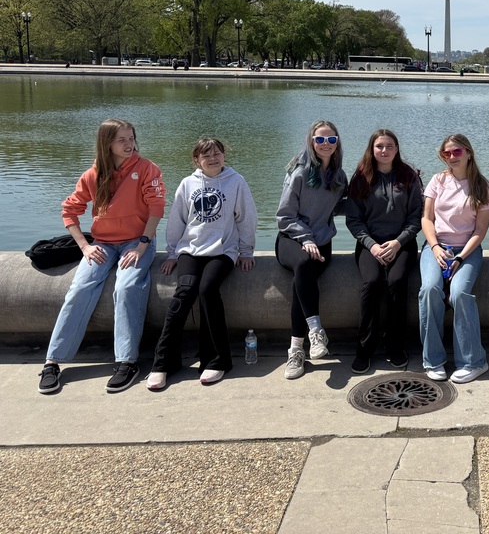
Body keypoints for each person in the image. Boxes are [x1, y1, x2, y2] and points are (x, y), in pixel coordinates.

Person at [37, 118, 165, 395]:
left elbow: (156, 208)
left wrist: (142, 245)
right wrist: (84, 246)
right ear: (107, 143)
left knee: (127, 286)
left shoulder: (146, 168)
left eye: (131, 138)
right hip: (103, 244)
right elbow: (69, 212)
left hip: (137, 241)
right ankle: (52, 362)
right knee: (79, 288)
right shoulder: (93, 174)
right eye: (122, 140)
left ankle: (127, 361)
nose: (129, 144)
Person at [146, 138, 258, 391]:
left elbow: (247, 217)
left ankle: (216, 360)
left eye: (217, 153)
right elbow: (177, 220)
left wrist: (246, 251)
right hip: (190, 251)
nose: (213, 158)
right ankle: (164, 363)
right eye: (206, 155)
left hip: (223, 251)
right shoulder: (188, 184)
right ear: (197, 160)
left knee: (208, 290)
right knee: (184, 293)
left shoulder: (236, 181)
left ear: (224, 156)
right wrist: (173, 252)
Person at [419, 134, 489, 384]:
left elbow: (480, 231)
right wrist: (434, 247)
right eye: (446, 153)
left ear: (468, 153)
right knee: (430, 289)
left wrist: (461, 257)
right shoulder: (437, 180)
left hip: (467, 249)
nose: (452, 157)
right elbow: (427, 219)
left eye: (456, 152)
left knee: (459, 294)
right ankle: (433, 360)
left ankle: (474, 361)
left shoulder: (482, 186)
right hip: (436, 246)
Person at [346, 129, 423, 374]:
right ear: (372, 149)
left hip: (402, 243)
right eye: (379, 146)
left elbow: (416, 218)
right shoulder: (360, 177)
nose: (384, 150)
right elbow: (354, 220)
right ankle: (365, 348)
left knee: (397, 281)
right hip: (370, 244)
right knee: (371, 282)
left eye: (389, 146)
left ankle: (395, 345)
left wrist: (398, 243)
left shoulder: (409, 176)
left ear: (397, 149)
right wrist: (373, 245)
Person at [276, 120, 348, 381]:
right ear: (311, 141)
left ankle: (295, 349)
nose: (326, 145)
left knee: (301, 280)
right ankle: (315, 331)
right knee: (304, 265)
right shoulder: (299, 173)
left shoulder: (339, 176)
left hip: (321, 242)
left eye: (331, 140)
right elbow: (284, 217)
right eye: (320, 140)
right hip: (291, 240)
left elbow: (340, 207)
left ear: (337, 143)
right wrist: (305, 238)